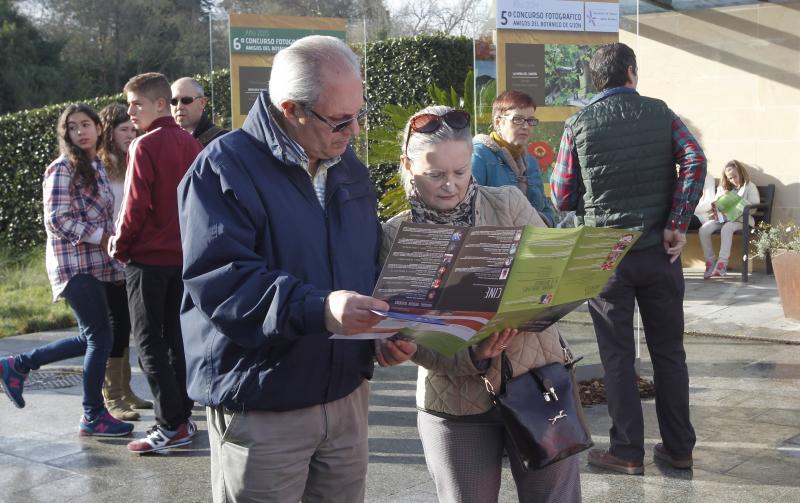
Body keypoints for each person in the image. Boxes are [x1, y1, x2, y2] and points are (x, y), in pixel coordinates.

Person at [178, 36, 390, 502]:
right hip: (263, 401)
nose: (354, 130)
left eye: (359, 114)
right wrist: (321, 309)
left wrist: (382, 332)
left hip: (345, 397)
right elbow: (224, 283)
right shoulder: (222, 168)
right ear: (291, 109)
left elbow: (364, 261)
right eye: (341, 120)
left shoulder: (348, 167)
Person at [377, 105, 581, 503]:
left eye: (460, 171)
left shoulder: (508, 203)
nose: (450, 185)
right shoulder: (396, 234)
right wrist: (473, 354)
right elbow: (410, 338)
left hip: (536, 380)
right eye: (435, 174)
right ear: (408, 165)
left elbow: (554, 278)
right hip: (452, 399)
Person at [551, 43, 706, 475]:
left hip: (606, 255)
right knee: (669, 353)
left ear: (595, 80)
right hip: (660, 251)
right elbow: (694, 160)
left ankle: (626, 451)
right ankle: (678, 448)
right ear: (632, 73)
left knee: (617, 355)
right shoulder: (661, 112)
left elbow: (561, 194)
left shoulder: (578, 124)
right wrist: (677, 221)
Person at [0, 104, 133, 438]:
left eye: (85, 124)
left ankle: (18, 365)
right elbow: (56, 220)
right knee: (100, 337)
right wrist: (101, 237)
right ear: (66, 134)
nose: (80, 132)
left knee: (93, 337)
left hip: (97, 265)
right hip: (73, 265)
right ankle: (93, 414)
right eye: (72, 127)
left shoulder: (96, 166)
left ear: (98, 128)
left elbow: (105, 216)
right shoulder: (61, 168)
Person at [109, 72, 203, 453]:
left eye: (136, 104)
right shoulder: (192, 144)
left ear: (159, 104)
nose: (129, 111)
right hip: (183, 259)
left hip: (147, 260)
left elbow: (134, 205)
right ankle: (182, 418)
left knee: (149, 342)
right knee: (177, 339)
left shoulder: (143, 145)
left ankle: (170, 424)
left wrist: (119, 245)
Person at [97, 103, 154, 421]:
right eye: (124, 130)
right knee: (114, 326)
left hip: (127, 254)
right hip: (104, 256)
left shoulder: (133, 159)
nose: (131, 135)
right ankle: (112, 396)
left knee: (126, 324)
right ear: (109, 132)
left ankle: (126, 390)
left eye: (133, 130)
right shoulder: (99, 166)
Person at [472, 90, 556, 227]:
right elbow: (469, 208)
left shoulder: (531, 162)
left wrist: (539, 223)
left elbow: (546, 209)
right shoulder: (480, 155)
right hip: (495, 239)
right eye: (518, 119)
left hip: (533, 237)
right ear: (498, 122)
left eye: (530, 120)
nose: (526, 126)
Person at [699, 160, 760, 279]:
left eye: (735, 176)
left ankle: (722, 264)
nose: (733, 180)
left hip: (742, 220)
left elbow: (754, 207)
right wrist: (719, 202)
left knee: (727, 228)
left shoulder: (749, 186)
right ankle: (710, 261)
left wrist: (735, 199)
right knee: (704, 229)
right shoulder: (723, 187)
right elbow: (716, 203)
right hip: (724, 219)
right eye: (730, 178)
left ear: (741, 173)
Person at [170, 77, 228, 146]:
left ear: (202, 103)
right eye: (173, 101)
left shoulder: (223, 142)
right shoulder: (164, 141)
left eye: (186, 100)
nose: (179, 107)